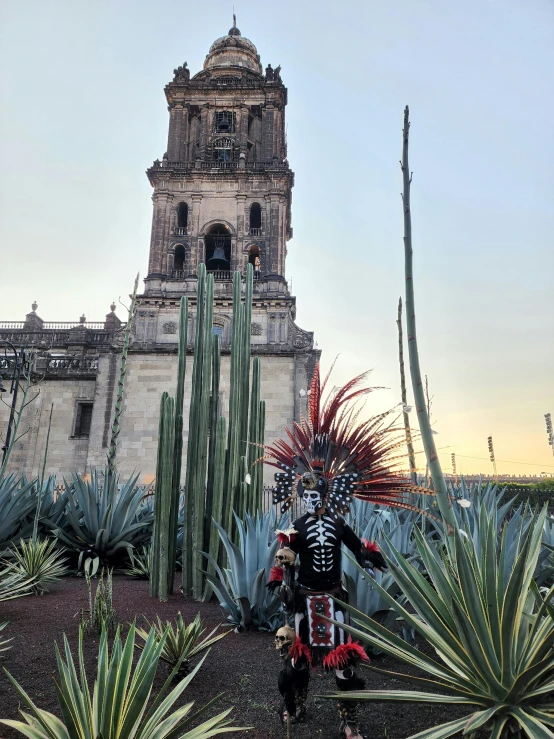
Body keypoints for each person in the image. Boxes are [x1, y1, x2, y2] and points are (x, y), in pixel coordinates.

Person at [265, 364, 428, 739]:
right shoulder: (296, 528)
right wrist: (281, 578)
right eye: (303, 495)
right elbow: (282, 559)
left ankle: (349, 721)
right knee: (297, 660)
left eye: (313, 495)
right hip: (305, 602)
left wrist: (374, 559)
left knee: (346, 665)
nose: (308, 500)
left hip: (336, 601)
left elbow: (358, 547)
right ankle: (295, 706)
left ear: (324, 495)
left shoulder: (337, 525)